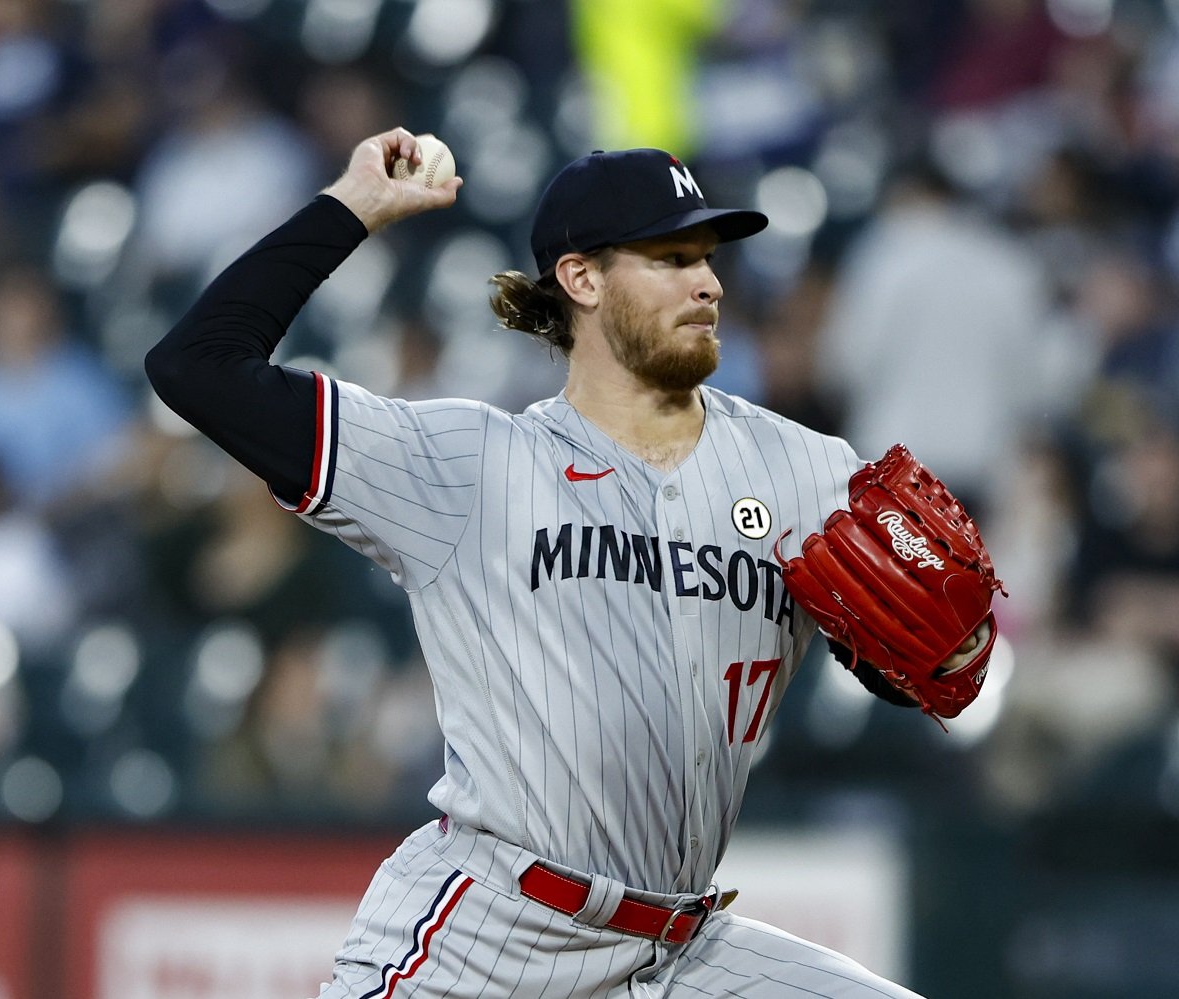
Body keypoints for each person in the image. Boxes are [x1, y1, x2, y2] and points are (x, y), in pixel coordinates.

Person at [146, 127, 930, 998]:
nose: (707, 282)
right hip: (488, 941)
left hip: (680, 948)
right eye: (669, 258)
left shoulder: (804, 469)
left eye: (706, 257)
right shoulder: (469, 466)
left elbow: (922, 663)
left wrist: (945, 654)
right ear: (582, 278)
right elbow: (196, 366)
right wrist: (354, 206)